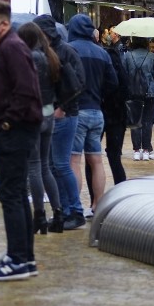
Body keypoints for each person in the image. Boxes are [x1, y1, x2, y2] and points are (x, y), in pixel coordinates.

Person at [0, 1, 42, 281]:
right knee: (14, 195)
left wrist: (6, 123)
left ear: (3, 24)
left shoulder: (11, 47)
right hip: (13, 130)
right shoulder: (5, 47)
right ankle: (22, 256)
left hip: (14, 132)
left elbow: (26, 89)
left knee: (11, 195)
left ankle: (19, 259)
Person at [33, 15, 87, 231]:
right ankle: (66, 210)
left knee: (61, 165)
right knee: (55, 166)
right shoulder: (48, 52)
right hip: (55, 114)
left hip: (64, 115)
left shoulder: (64, 51)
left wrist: (62, 108)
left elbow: (79, 83)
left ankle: (75, 210)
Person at [67, 14, 118, 217]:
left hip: (76, 112)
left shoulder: (70, 50)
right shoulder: (102, 53)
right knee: (96, 161)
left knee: (73, 161)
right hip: (97, 112)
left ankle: (75, 206)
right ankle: (98, 205)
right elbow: (113, 83)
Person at [16, 22, 64, 234]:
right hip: (48, 114)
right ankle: (58, 212)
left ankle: (39, 216)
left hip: (33, 116)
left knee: (34, 167)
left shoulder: (31, 58)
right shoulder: (50, 56)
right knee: (45, 167)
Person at [94, 26, 129, 200]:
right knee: (115, 157)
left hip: (100, 113)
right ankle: (121, 195)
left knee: (92, 157)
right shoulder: (118, 65)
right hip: (117, 115)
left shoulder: (100, 66)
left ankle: (95, 200)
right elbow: (125, 89)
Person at [125, 36, 154, 161]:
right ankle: (146, 150)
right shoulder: (152, 57)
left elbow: (124, 74)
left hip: (133, 92)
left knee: (135, 122)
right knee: (147, 121)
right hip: (150, 93)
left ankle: (136, 151)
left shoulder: (128, 56)